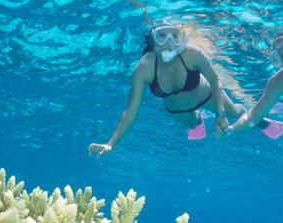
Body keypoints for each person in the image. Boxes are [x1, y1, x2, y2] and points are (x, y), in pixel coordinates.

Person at [88, 18, 246, 157]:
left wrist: (220, 113)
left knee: (233, 112)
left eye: (174, 36)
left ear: (182, 38)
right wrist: (111, 143)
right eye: (162, 35)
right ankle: (199, 117)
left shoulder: (193, 54)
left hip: (206, 95)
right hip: (179, 109)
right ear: (153, 38)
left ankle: (255, 117)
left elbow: (215, 80)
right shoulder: (145, 67)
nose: (168, 43)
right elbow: (131, 110)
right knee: (192, 125)